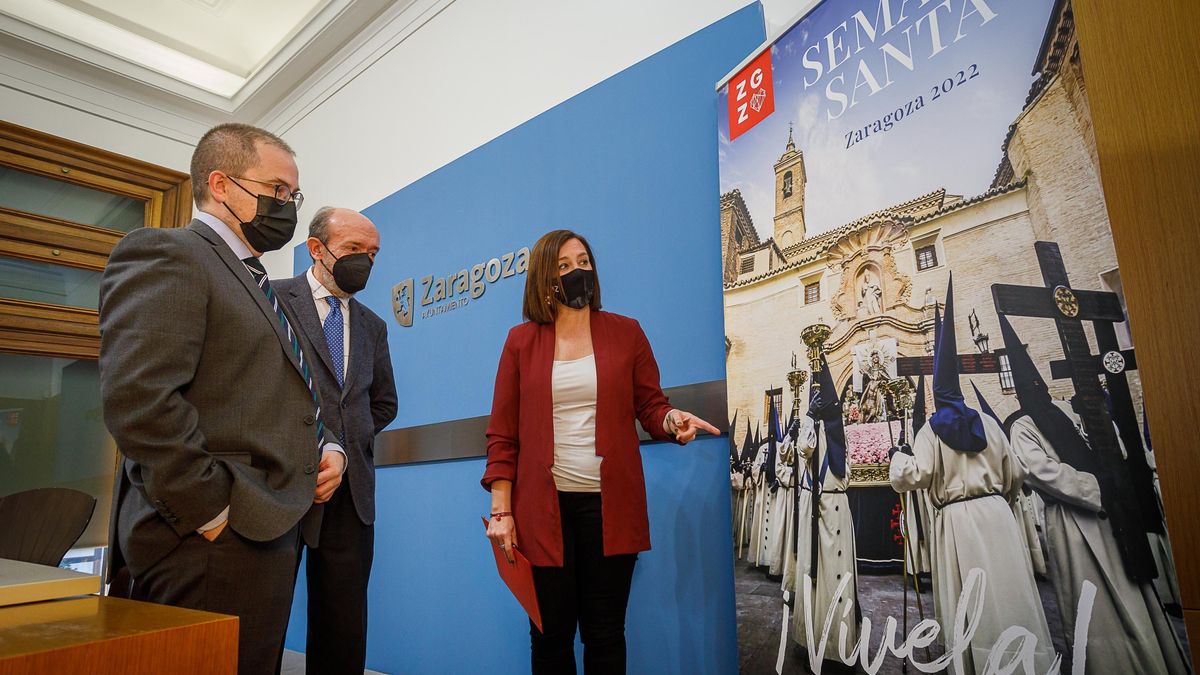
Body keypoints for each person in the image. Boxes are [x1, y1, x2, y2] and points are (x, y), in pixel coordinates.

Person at [99, 123, 345, 675]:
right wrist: (211, 511)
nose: (288, 205)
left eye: (293, 195)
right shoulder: (170, 252)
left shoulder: (256, 280)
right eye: (278, 190)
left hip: (263, 532)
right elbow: (139, 400)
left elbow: (274, 391)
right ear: (221, 184)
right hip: (208, 540)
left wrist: (326, 447)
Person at [481, 229, 719, 675]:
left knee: (605, 634)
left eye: (584, 262)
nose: (578, 272)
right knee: (549, 637)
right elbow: (502, 434)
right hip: (540, 511)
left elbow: (650, 405)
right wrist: (502, 512)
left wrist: (671, 421)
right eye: (564, 266)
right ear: (544, 280)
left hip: (609, 508)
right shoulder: (520, 341)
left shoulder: (626, 333)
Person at [1000, 315, 1188, 675]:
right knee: (1094, 605)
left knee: (1131, 593)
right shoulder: (1025, 425)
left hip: (1106, 515)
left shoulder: (1070, 412)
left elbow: (1109, 444)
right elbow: (1040, 471)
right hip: (1075, 521)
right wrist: (1099, 488)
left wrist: (1112, 482)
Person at [888, 277, 1053, 674]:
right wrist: (999, 501)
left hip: (957, 523)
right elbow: (1015, 475)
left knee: (971, 602)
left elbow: (916, 475)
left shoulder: (930, 430)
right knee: (1011, 596)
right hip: (998, 515)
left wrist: (896, 459)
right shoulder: (991, 426)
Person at [274, 207, 397, 675]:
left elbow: (382, 403)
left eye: (373, 254)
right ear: (316, 248)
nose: (363, 262)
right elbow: (262, 389)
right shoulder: (272, 301)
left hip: (351, 496)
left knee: (343, 629)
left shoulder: (373, 326)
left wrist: (347, 446)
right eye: (353, 250)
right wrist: (315, 446)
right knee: (265, 620)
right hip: (280, 485)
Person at [790, 354, 859, 666]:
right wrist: (808, 416)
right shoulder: (815, 429)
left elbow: (848, 472)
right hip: (818, 510)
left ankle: (842, 638)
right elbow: (803, 450)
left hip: (837, 507)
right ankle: (817, 637)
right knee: (817, 573)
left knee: (839, 573)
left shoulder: (837, 433)